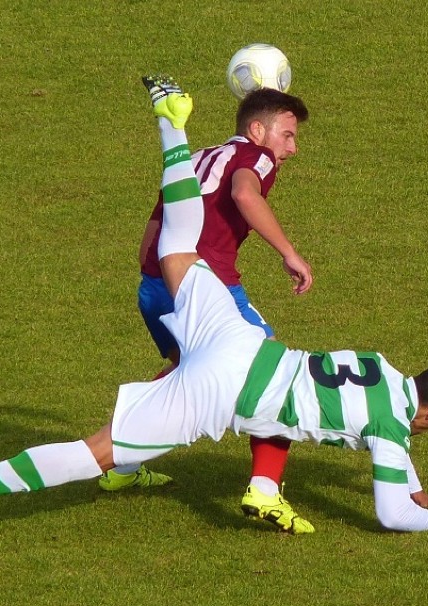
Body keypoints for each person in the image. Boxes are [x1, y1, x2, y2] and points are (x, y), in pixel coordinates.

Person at [0, 75, 428, 537]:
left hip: (234, 340)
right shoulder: (391, 427)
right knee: (98, 454)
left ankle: (172, 127)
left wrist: (423, 492)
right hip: (222, 393)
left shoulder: (377, 364)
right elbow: (394, 513)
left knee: (178, 246)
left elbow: (400, 442)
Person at [99, 87, 314, 533]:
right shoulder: (257, 157)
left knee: (187, 376)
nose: (292, 148)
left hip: (155, 285)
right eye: (288, 135)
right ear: (258, 130)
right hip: (204, 286)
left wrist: (151, 275)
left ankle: (118, 464)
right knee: (271, 371)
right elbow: (244, 195)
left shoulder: (195, 156)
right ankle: (264, 489)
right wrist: (289, 253)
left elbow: (158, 216)